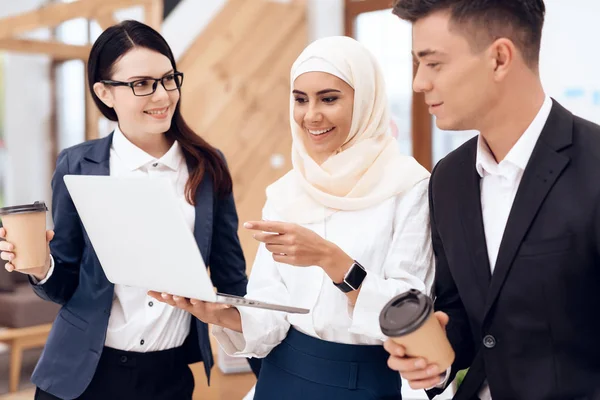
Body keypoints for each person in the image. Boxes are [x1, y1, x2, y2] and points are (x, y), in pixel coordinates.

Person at [150, 36, 434, 399]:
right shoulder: (286, 192)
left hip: (364, 381)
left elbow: (410, 311)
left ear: (365, 100)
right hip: (281, 376)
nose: (310, 115)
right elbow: (273, 311)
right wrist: (221, 315)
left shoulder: (409, 187)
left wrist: (332, 261)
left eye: (329, 98)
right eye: (300, 99)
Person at [0, 20, 259, 400]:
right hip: (81, 376)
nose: (162, 95)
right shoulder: (77, 164)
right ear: (105, 93)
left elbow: (231, 278)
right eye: (142, 84)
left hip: (168, 377)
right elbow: (65, 281)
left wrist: (268, 372)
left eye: (169, 79)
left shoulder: (207, 167)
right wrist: (41, 268)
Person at [383, 1, 600, 399]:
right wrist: (436, 357)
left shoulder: (595, 166)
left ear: (499, 58)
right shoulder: (447, 179)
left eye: (433, 64)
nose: (418, 82)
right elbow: (466, 318)